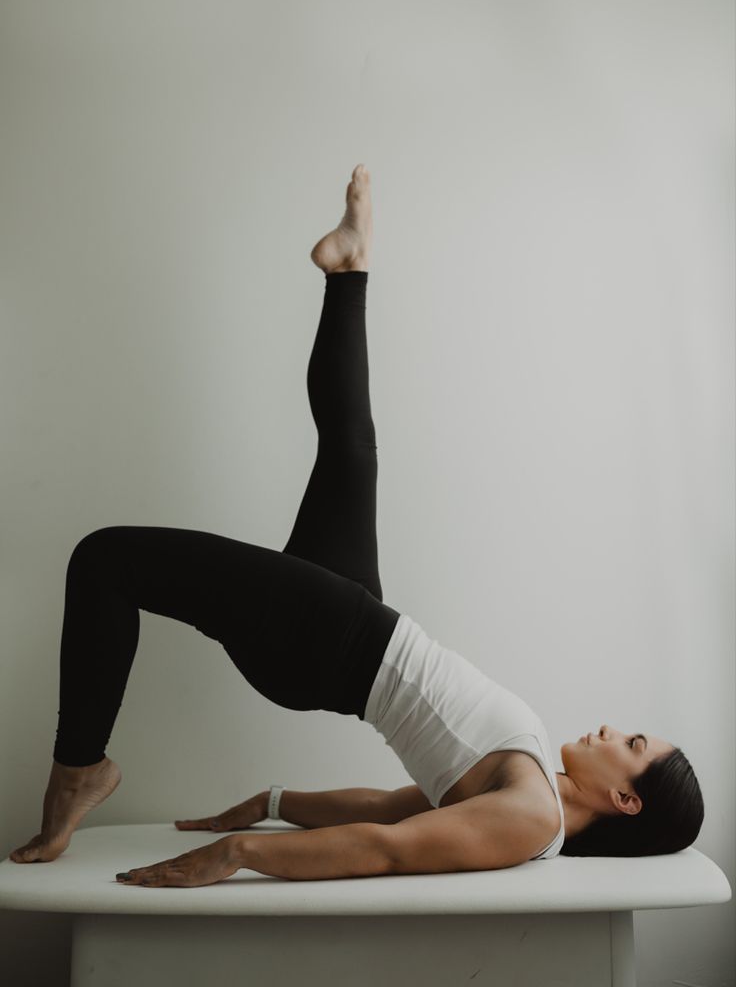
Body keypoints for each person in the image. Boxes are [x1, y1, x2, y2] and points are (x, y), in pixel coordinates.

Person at [10, 165, 704, 887]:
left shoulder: (531, 817)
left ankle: (78, 773)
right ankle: (351, 266)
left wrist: (237, 856)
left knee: (105, 560)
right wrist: (270, 803)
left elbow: (387, 848)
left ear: (627, 798)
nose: (610, 730)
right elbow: (389, 807)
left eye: (631, 743)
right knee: (351, 449)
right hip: (352, 626)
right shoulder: (533, 796)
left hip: (332, 643)